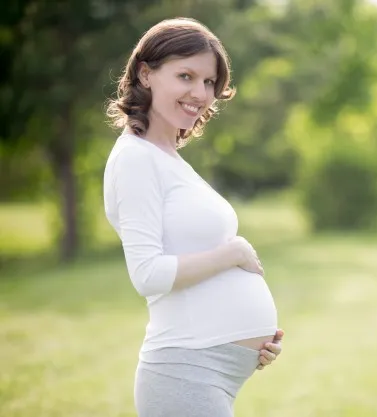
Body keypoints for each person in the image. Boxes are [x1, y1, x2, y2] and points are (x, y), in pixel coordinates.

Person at [102, 17, 284, 417]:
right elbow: (147, 274)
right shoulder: (135, 158)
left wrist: (251, 342)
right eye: (186, 76)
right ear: (146, 74)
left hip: (207, 370)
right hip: (184, 373)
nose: (199, 93)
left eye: (208, 82)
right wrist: (233, 253)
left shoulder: (170, 159)